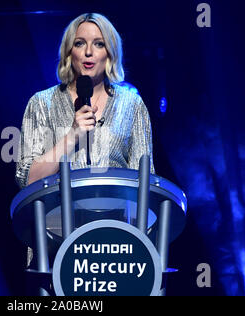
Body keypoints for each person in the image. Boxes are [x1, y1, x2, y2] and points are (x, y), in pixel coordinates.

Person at [16, 13, 155, 190]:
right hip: (58, 213)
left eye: (99, 44)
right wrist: (72, 136)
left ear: (110, 53)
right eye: (79, 43)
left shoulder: (131, 105)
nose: (88, 52)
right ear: (69, 52)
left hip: (116, 215)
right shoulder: (41, 103)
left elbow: (145, 181)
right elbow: (27, 181)